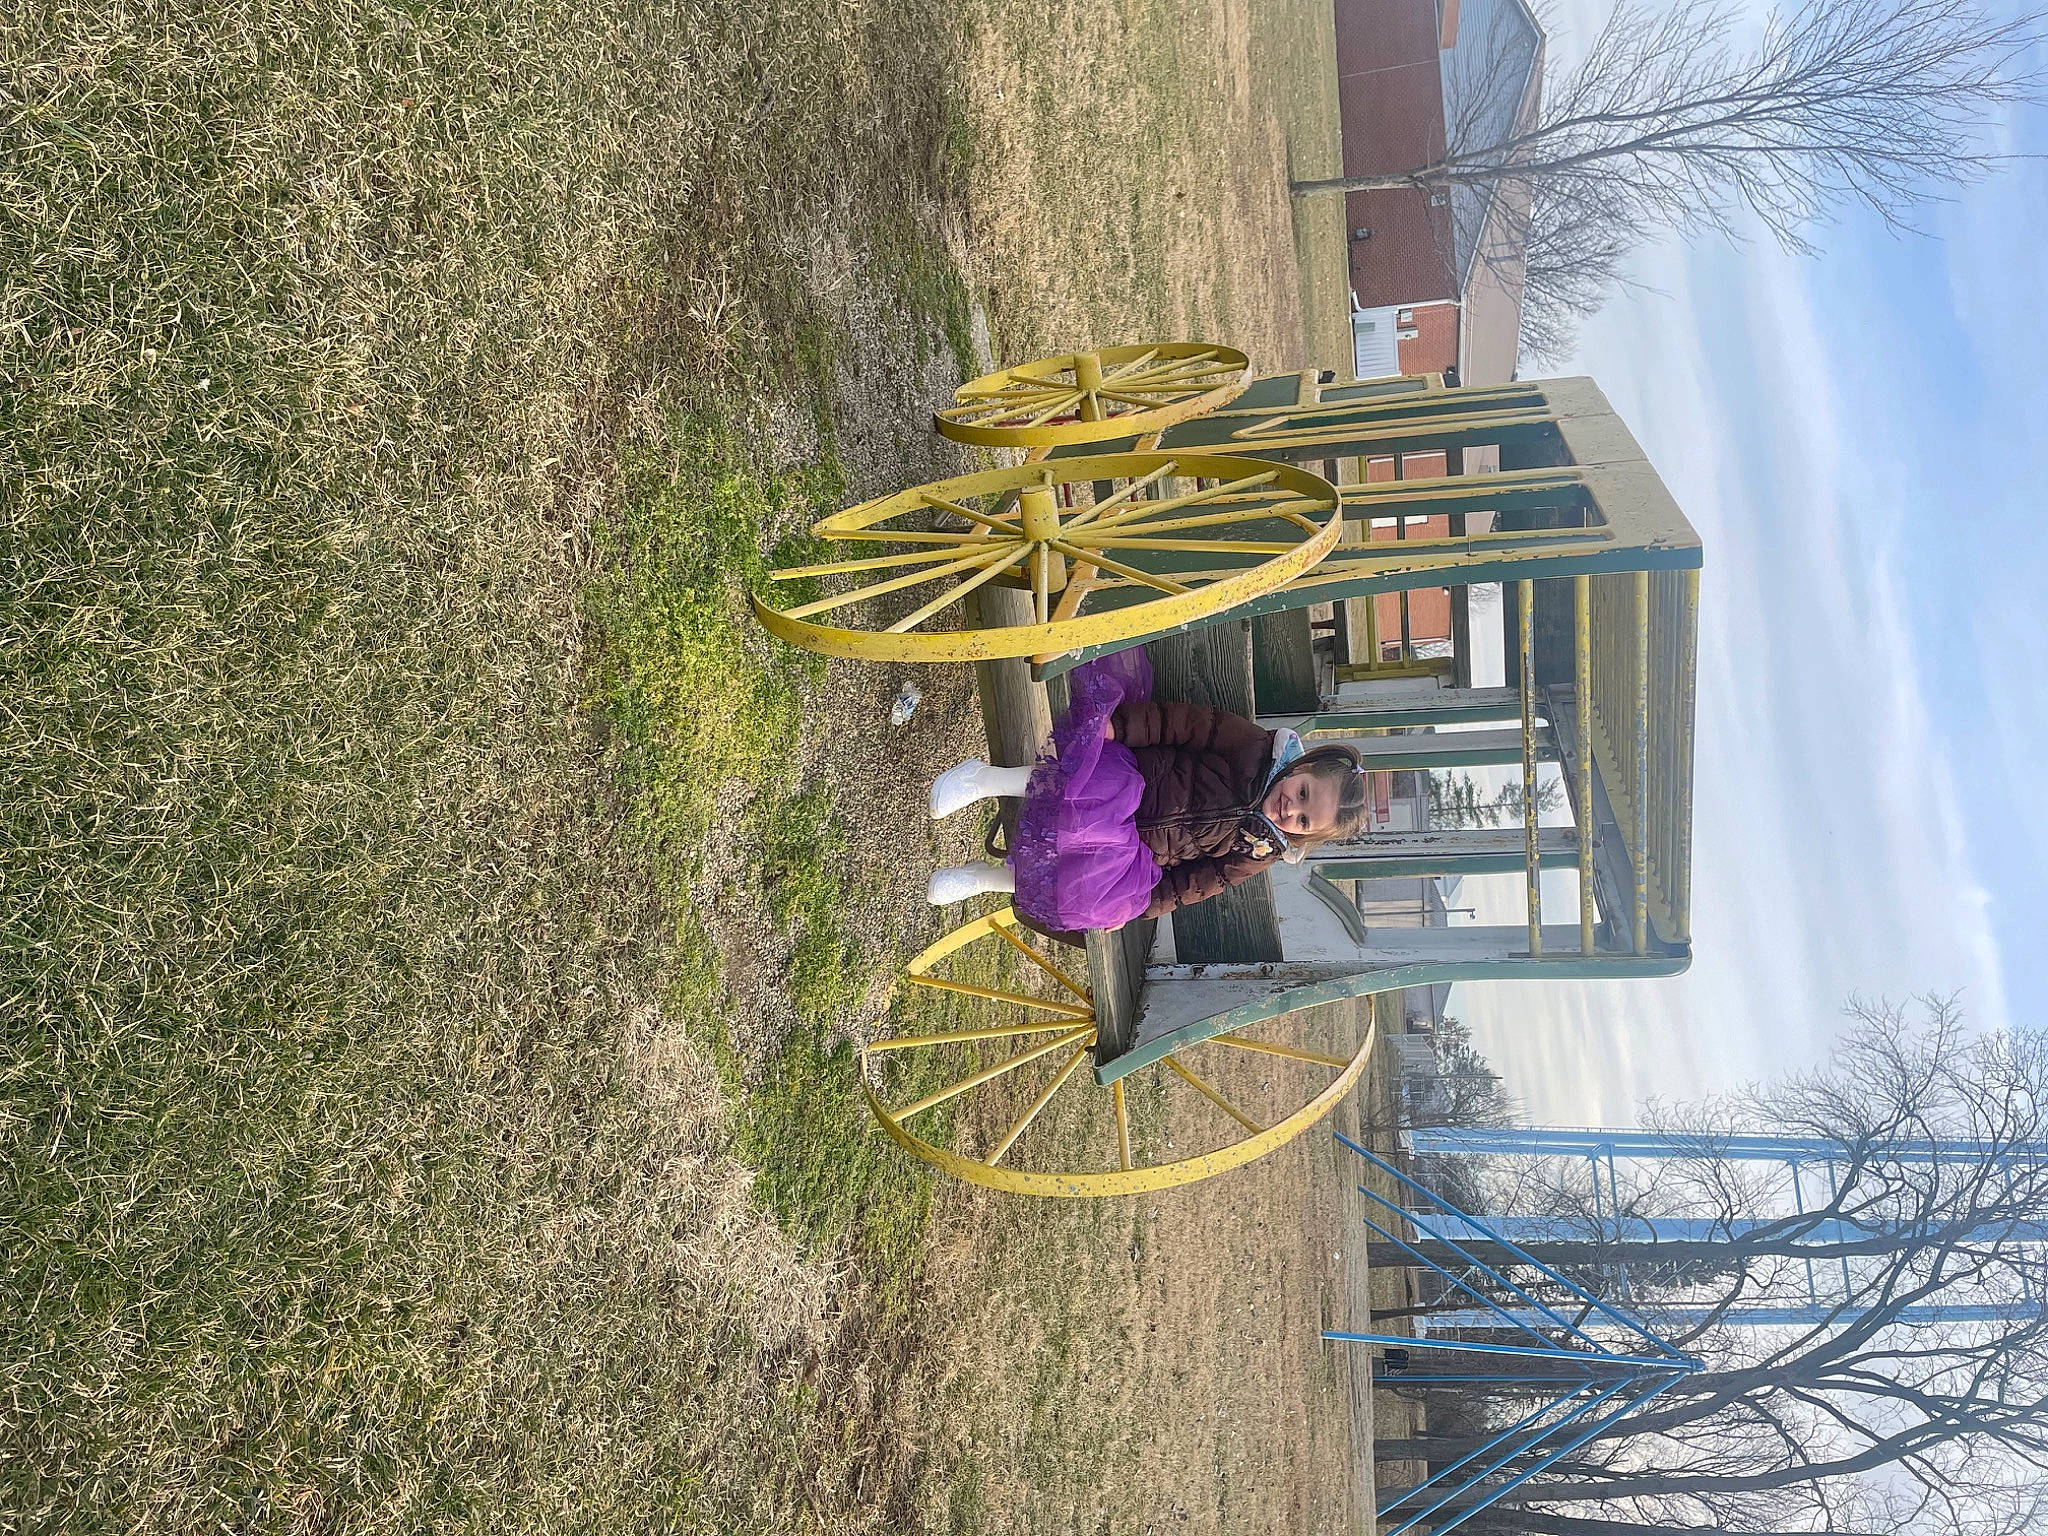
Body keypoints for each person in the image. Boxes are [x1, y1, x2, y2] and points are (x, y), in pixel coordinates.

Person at [925, 650, 1369, 931]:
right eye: (1305, 792)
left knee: (1089, 891)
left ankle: (983, 879)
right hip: (1131, 778)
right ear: (1303, 766)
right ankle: (984, 778)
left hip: (1136, 851)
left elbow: (1198, 884)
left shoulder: (1258, 852)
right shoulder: (1253, 749)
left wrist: (1139, 906)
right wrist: (1120, 727)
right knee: (1099, 794)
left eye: (1305, 821)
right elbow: (1182, 725)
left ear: (1303, 835)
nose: (1292, 810)